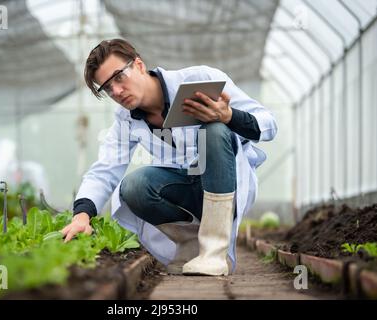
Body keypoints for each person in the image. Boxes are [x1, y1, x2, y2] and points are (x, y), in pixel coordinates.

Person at [61, 39, 277, 276]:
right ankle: (191, 245)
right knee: (133, 186)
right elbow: (105, 169)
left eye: (119, 77)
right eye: (107, 88)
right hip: (185, 189)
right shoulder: (126, 119)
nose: (117, 91)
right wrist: (82, 215)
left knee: (214, 130)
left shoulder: (198, 80)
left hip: (226, 183)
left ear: (140, 66)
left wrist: (229, 116)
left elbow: (268, 124)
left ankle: (214, 251)